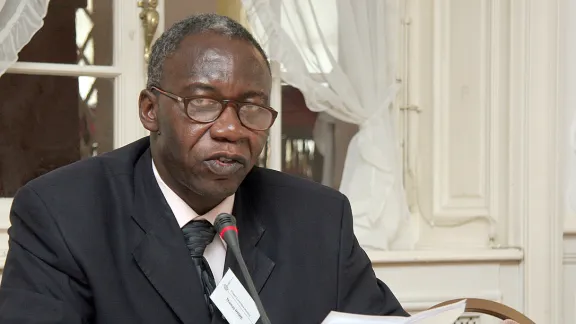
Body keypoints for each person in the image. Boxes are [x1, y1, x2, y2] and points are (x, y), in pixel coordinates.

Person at [0, 13, 408, 323]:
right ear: (150, 110)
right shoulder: (61, 214)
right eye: (204, 103)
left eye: (251, 107)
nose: (231, 129)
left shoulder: (318, 218)